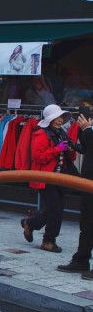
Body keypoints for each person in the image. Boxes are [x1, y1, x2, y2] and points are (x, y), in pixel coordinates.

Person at [21, 104, 78, 253]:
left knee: (56, 209)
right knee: (55, 209)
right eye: (57, 117)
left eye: (61, 117)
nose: (60, 120)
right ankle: (48, 240)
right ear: (49, 119)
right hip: (45, 177)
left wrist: (70, 151)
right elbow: (38, 157)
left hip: (59, 177)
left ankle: (31, 223)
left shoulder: (62, 133)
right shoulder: (41, 134)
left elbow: (69, 158)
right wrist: (57, 149)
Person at [58, 106, 93, 279]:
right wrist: (79, 137)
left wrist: (87, 129)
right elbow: (89, 149)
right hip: (88, 182)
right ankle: (81, 259)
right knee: (86, 223)